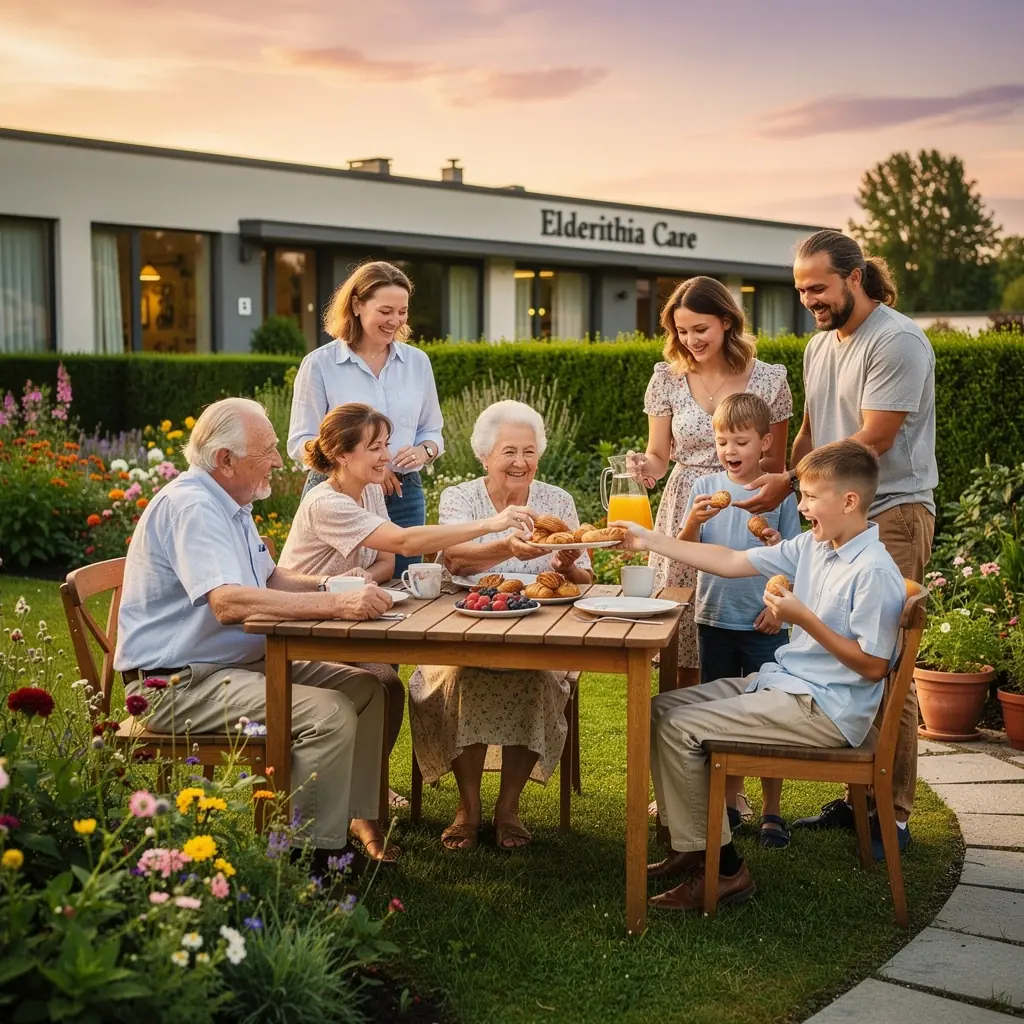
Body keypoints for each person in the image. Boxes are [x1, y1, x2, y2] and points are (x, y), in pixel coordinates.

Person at [613, 439, 905, 912]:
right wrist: (647, 538)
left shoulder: (872, 571)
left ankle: (725, 870)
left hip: (825, 709)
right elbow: (731, 562)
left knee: (682, 728)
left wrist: (802, 616)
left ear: (849, 501)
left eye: (810, 497)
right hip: (789, 686)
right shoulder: (817, 546)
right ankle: (692, 849)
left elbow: (873, 666)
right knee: (661, 709)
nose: (801, 505)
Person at [113, 397, 398, 872]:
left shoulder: (230, 504)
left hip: (232, 666)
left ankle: (342, 831)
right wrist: (335, 604)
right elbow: (229, 603)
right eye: (266, 450)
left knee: (369, 689)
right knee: (328, 713)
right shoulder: (193, 508)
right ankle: (309, 859)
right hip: (174, 685)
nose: (279, 460)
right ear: (225, 460)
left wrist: (333, 584)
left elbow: (269, 579)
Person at [736, 230, 936, 857]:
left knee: (886, 664)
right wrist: (789, 492)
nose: (810, 301)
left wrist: (792, 481)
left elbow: (870, 441)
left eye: (818, 288)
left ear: (854, 277)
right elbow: (812, 435)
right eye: (801, 291)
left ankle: (891, 816)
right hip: (829, 516)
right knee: (838, 655)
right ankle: (858, 798)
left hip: (893, 514)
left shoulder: (897, 340)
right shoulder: (821, 346)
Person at [278, 401, 537, 810]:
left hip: (348, 619)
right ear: (343, 455)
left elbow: (385, 561)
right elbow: (402, 544)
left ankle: (367, 791)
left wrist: (365, 577)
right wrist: (492, 523)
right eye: (376, 446)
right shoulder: (326, 502)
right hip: (305, 630)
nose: (387, 455)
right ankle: (362, 798)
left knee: (386, 684)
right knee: (383, 683)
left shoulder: (367, 494)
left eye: (386, 444)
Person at [409, 401, 594, 851]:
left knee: (539, 680)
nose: (520, 462)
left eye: (529, 452)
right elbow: (453, 557)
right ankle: (467, 808)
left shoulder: (557, 501)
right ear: (484, 456)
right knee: (461, 678)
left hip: (540, 626)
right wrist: (505, 547)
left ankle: (508, 807)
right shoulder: (460, 498)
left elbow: (585, 577)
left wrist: (567, 566)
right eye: (509, 451)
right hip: (467, 618)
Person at [628, 276, 792, 691]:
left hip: (746, 503)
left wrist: (751, 500)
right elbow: (659, 456)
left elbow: (775, 460)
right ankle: (679, 720)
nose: (691, 340)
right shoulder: (667, 377)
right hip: (688, 504)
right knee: (681, 627)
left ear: (726, 321)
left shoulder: (769, 379)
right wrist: (643, 466)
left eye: (700, 329)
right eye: (681, 332)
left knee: (740, 610)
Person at [668, 392, 802, 851]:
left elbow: (793, 558)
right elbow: (688, 546)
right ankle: (727, 802)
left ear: (765, 442)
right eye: (723, 440)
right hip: (714, 617)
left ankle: (772, 811)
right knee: (716, 719)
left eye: (741, 441)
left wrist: (776, 606)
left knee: (769, 718)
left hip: (765, 622)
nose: (730, 450)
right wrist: (691, 521)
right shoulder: (703, 488)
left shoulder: (777, 492)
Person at [287, 260, 445, 577]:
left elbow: (432, 431)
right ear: (357, 305)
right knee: (334, 583)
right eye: (386, 311)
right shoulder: (320, 364)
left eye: (402, 312)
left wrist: (423, 451)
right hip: (339, 492)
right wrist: (365, 466)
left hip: (404, 491)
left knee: (402, 585)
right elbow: (300, 442)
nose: (395, 321)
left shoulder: (417, 362)